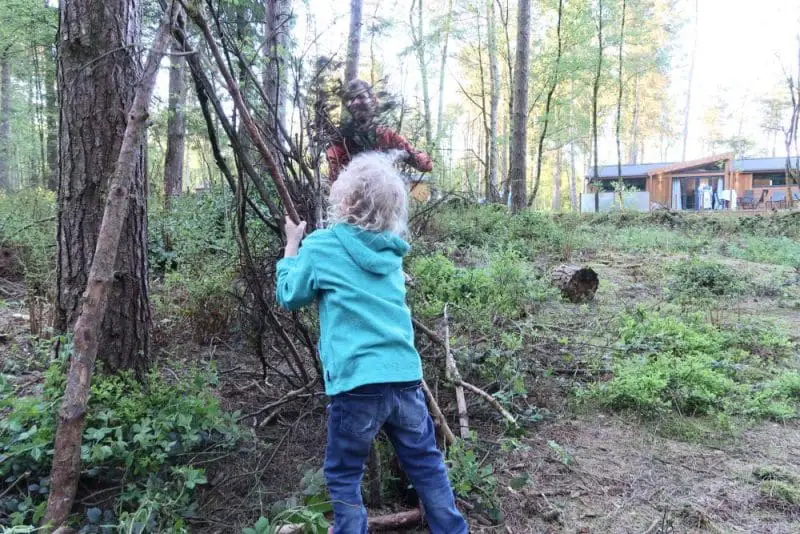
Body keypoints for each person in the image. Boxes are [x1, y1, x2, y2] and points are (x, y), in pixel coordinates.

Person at [275, 153, 468, 534]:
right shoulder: (392, 255)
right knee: (427, 464)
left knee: (345, 472)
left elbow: (289, 296)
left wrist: (291, 247)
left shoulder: (322, 246)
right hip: (405, 378)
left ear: (344, 199)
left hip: (357, 383)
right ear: (392, 210)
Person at [325, 79, 433, 183]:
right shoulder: (340, 138)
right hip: (353, 197)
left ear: (372, 100)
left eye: (361, 97)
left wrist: (405, 155)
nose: (355, 102)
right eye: (351, 99)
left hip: (384, 195)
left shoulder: (386, 134)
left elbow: (426, 165)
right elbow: (335, 180)